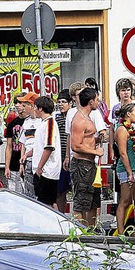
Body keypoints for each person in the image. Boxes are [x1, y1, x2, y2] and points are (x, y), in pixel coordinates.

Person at [69, 87, 104, 227]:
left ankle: (91, 232)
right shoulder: (79, 120)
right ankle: (80, 234)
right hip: (81, 165)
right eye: (97, 100)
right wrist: (95, 152)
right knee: (81, 202)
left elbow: (84, 140)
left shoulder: (88, 117)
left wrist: (96, 140)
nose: (98, 102)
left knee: (93, 202)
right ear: (90, 102)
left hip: (90, 165)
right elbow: (75, 146)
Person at [114, 103, 135, 235]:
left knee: (132, 200)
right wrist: (129, 172)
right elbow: (122, 152)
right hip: (127, 169)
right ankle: (121, 232)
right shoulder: (122, 129)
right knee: (124, 200)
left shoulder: (133, 128)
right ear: (128, 114)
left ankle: (131, 230)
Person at [31, 96, 61, 208]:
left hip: (47, 170)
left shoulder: (50, 123)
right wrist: (27, 154)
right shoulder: (43, 123)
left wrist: (39, 167)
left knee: (46, 203)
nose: (34, 109)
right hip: (43, 169)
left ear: (40, 108)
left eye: (35, 107)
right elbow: (40, 145)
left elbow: (49, 146)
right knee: (47, 200)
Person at [16, 92, 41, 199]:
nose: (22, 107)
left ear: (32, 105)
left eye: (24, 105)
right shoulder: (26, 122)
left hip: (39, 159)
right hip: (28, 160)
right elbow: (23, 143)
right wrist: (22, 163)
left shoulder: (42, 121)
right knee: (29, 193)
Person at [4, 93, 27, 194]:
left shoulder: (31, 122)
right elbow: (8, 147)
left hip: (26, 163)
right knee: (13, 193)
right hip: (13, 163)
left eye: (20, 102)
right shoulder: (12, 123)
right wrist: (6, 167)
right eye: (16, 102)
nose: (17, 105)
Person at [55, 89, 72, 212]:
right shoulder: (57, 118)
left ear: (70, 103)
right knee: (60, 191)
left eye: (64, 102)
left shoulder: (74, 117)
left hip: (72, 157)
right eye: (59, 102)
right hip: (59, 158)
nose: (61, 104)